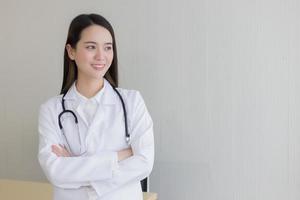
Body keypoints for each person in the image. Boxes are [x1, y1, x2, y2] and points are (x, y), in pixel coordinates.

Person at [38, 13, 154, 200]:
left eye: (108, 48)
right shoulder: (51, 110)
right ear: (71, 51)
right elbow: (55, 171)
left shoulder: (132, 102)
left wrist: (75, 165)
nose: (101, 56)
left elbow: (144, 162)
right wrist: (118, 157)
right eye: (91, 47)